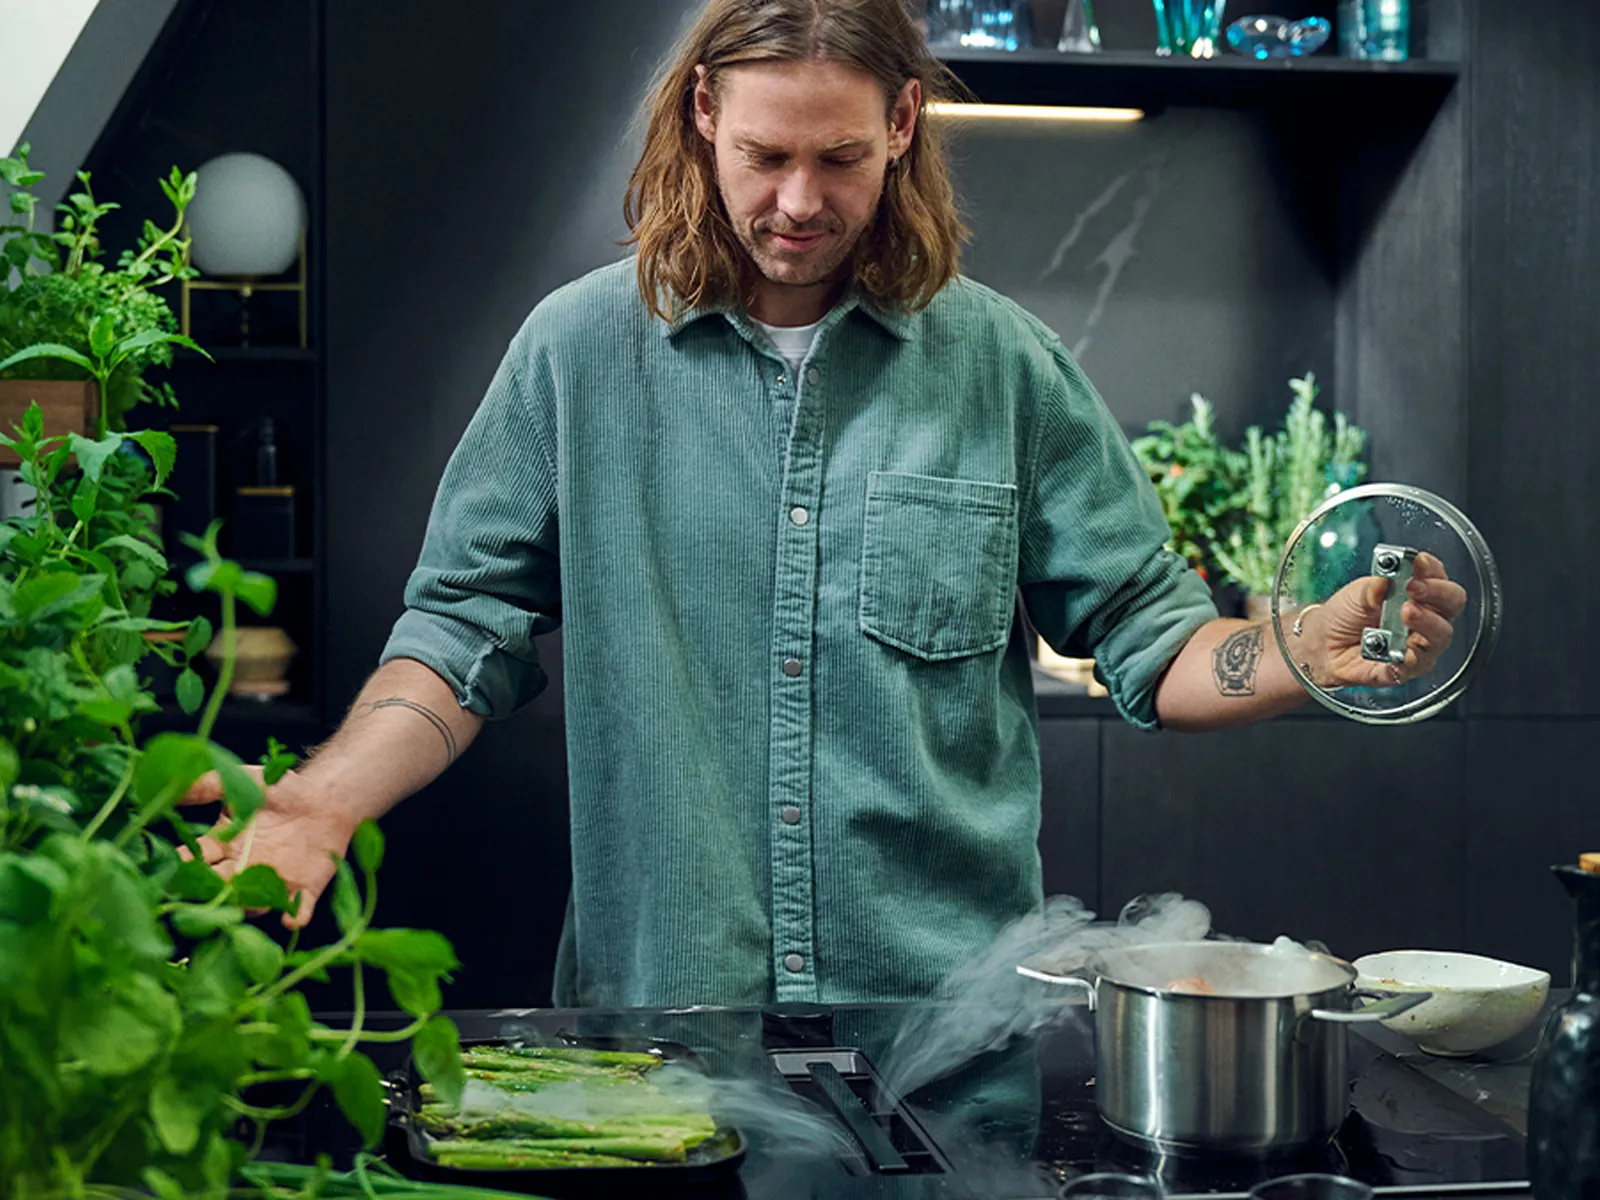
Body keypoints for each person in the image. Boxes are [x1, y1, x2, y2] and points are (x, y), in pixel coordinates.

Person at [183, 0, 1466, 1008]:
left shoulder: (1004, 366)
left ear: (903, 124)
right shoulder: (575, 353)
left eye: (839, 157)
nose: (799, 203)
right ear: (700, 114)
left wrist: (1294, 652)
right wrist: (319, 800)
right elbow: (464, 631)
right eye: (765, 155)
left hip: (946, 1034)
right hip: (664, 1028)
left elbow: (1147, 638)